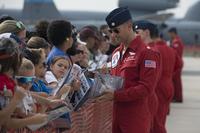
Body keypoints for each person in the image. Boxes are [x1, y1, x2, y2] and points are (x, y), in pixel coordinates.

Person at [100, 7, 161, 133]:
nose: (113, 35)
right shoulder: (117, 52)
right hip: (116, 115)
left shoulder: (147, 53)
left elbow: (146, 88)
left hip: (135, 117)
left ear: (129, 26)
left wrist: (117, 95)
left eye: (116, 30)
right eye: (111, 31)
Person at [135, 20, 182, 133]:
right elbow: (179, 64)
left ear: (147, 32)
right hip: (167, 85)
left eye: (137, 32)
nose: (135, 35)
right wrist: (169, 76)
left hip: (157, 89)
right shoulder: (169, 49)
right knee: (160, 121)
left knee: (156, 125)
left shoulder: (151, 51)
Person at [168, 27, 184, 103]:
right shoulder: (175, 41)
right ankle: (176, 97)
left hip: (177, 63)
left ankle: (178, 98)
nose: (170, 35)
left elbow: (176, 53)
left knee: (176, 82)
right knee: (175, 81)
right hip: (176, 63)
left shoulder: (177, 42)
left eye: (170, 34)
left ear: (173, 33)